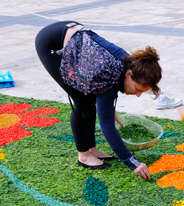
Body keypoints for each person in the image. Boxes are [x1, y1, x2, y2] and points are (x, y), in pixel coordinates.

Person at [35, 21, 161, 180]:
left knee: (90, 99)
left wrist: (108, 108)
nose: (137, 95)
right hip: (52, 44)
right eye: (138, 89)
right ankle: (84, 155)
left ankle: (91, 149)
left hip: (72, 35)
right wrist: (132, 162)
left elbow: (103, 94)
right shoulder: (109, 72)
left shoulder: (129, 65)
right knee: (82, 101)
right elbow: (107, 126)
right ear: (129, 74)